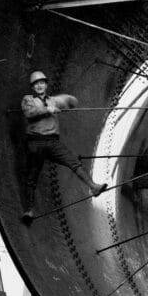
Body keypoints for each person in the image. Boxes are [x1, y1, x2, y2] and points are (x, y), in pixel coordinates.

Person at [19, 70, 106, 225]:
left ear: (46, 85)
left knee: (73, 162)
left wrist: (69, 101)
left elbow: (68, 101)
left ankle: (93, 187)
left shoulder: (53, 100)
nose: (39, 86)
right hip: (36, 142)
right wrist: (48, 110)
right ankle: (29, 210)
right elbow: (29, 113)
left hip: (52, 142)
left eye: (42, 83)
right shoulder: (28, 100)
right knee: (32, 177)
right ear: (33, 87)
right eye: (36, 84)